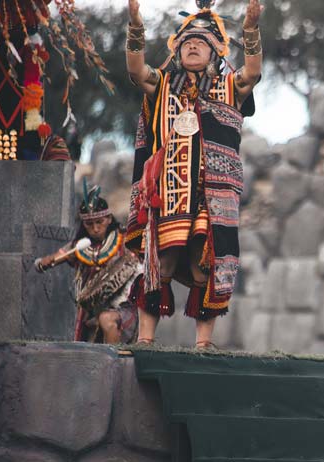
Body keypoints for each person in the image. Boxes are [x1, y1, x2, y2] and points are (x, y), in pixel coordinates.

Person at [124, 0, 262, 347]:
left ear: (215, 51)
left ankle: (203, 345)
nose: (193, 46)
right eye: (187, 42)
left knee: (205, 268)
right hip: (168, 192)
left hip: (211, 195)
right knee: (162, 264)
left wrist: (251, 30)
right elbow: (136, 71)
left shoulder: (229, 87)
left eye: (200, 42)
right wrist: (136, 25)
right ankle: (145, 340)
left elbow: (253, 73)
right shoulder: (163, 85)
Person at [35, 184, 141, 344]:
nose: (95, 228)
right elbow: (54, 257)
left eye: (100, 222)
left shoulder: (124, 239)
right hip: (90, 311)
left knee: (107, 320)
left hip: (123, 306)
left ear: (109, 219)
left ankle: (114, 363)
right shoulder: (78, 247)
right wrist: (45, 262)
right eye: (89, 224)